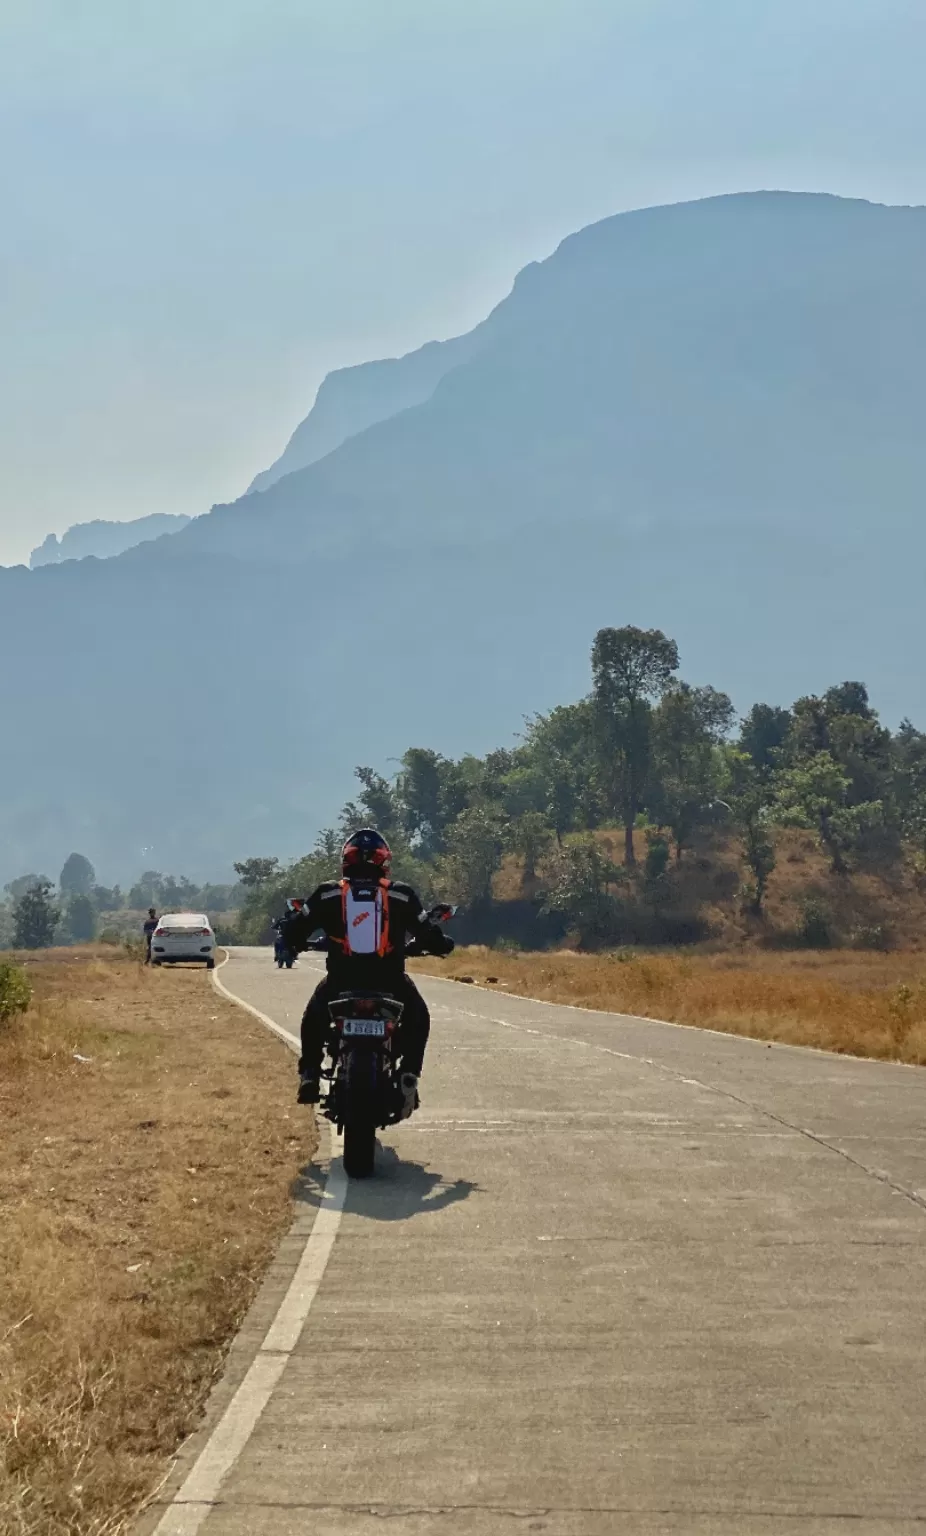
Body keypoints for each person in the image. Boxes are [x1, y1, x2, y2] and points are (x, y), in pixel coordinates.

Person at [277, 828, 454, 1116]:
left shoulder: (328, 893)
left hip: (341, 982)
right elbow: (427, 932)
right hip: (391, 983)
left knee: (313, 1017)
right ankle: (409, 1074)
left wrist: (291, 943)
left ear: (346, 860)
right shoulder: (401, 894)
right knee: (419, 1016)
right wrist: (441, 944)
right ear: (384, 861)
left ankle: (309, 1072)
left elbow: (296, 928)